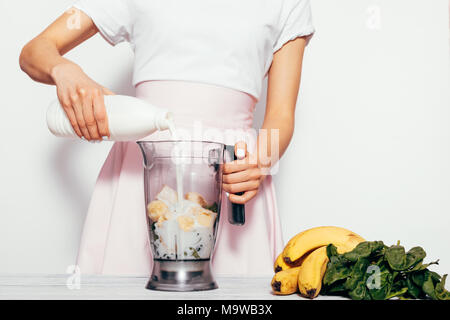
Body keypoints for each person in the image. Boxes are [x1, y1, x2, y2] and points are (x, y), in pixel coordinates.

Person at [19, 0, 314, 276]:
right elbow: (36, 50)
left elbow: (280, 115)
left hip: (232, 178)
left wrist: (261, 161)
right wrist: (65, 69)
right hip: (140, 170)